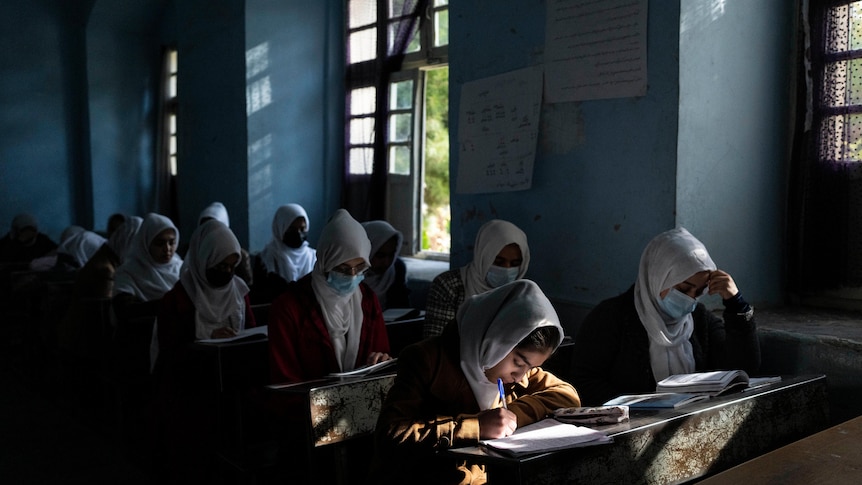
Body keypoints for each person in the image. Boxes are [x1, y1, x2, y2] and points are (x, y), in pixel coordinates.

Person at [370, 279, 580, 484]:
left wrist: (513, 416)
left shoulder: (513, 372)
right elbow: (391, 435)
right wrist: (475, 426)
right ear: (497, 338)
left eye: (531, 367)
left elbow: (566, 395)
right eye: (518, 361)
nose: (520, 375)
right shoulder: (427, 360)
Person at [569, 227, 761, 406]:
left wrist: (736, 304)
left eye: (699, 291)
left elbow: (743, 369)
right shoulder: (611, 317)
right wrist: (641, 409)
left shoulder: (698, 319)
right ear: (657, 277)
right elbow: (585, 382)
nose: (690, 299)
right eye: (683, 288)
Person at [268, 208, 390, 384]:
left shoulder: (367, 300)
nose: (353, 276)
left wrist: (381, 361)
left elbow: (381, 356)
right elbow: (286, 382)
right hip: (306, 408)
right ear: (326, 262)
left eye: (360, 268)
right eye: (343, 269)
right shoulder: (290, 308)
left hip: (363, 403)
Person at [423, 219, 530, 338]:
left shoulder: (522, 295)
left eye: (515, 263)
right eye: (498, 261)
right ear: (483, 257)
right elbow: (436, 341)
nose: (506, 269)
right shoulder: (449, 286)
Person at [112, 213, 183, 321]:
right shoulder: (129, 272)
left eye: (172, 242)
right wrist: (170, 304)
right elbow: (124, 309)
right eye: (160, 243)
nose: (167, 248)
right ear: (146, 243)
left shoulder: (181, 268)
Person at [252, 203, 317, 303]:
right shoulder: (266, 259)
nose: (298, 233)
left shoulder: (314, 257)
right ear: (280, 228)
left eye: (302, 228)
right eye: (292, 229)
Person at [196, 201, 253, 286]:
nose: (208, 232)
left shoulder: (238, 257)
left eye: (213, 227)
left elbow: (246, 288)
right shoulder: (192, 254)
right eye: (204, 227)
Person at [361, 220, 411, 310]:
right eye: (380, 256)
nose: (387, 262)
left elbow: (402, 308)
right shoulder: (350, 273)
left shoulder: (396, 269)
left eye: (392, 255)